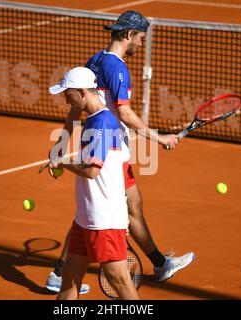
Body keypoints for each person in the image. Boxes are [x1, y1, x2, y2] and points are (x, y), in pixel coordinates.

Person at [45, 11, 194, 294]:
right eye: (140, 38)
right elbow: (123, 113)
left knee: (115, 208)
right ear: (129, 35)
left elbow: (75, 110)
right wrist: (158, 137)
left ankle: (159, 262)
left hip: (98, 139)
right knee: (106, 212)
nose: (140, 43)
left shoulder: (94, 61)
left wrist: (61, 146)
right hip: (110, 146)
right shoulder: (118, 67)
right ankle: (157, 264)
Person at [48, 66, 139, 300]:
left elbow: (91, 171)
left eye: (68, 96)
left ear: (81, 92)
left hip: (104, 220)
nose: (67, 101)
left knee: (118, 280)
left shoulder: (102, 123)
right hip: (85, 218)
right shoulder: (91, 119)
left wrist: (63, 163)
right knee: (69, 278)